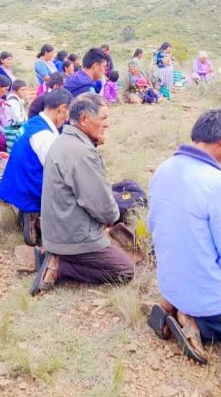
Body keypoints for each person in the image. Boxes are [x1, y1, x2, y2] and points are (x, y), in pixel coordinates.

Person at [147, 108, 221, 363]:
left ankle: (175, 306)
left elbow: (154, 225)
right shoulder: (220, 185)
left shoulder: (163, 168)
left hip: (169, 282)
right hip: (205, 295)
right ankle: (196, 322)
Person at [31, 93, 134, 295]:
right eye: (103, 118)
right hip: (71, 237)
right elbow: (104, 209)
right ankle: (60, 266)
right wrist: (112, 217)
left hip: (56, 231)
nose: (107, 124)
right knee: (124, 270)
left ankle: (57, 255)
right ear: (85, 119)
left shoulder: (63, 140)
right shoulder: (81, 152)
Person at [0, 89, 73, 249]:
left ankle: (27, 214)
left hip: (18, 181)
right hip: (30, 187)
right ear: (62, 109)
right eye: (67, 113)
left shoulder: (33, 123)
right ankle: (34, 217)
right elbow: (58, 169)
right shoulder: (44, 135)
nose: (67, 118)